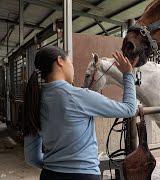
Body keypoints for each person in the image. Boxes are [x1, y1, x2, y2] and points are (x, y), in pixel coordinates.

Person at [23, 45, 136, 180]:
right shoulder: (79, 96)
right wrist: (128, 74)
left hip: (49, 174)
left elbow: (31, 157)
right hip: (84, 175)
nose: (73, 67)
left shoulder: (35, 101)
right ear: (60, 61)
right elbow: (129, 109)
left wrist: (55, 167)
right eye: (70, 61)